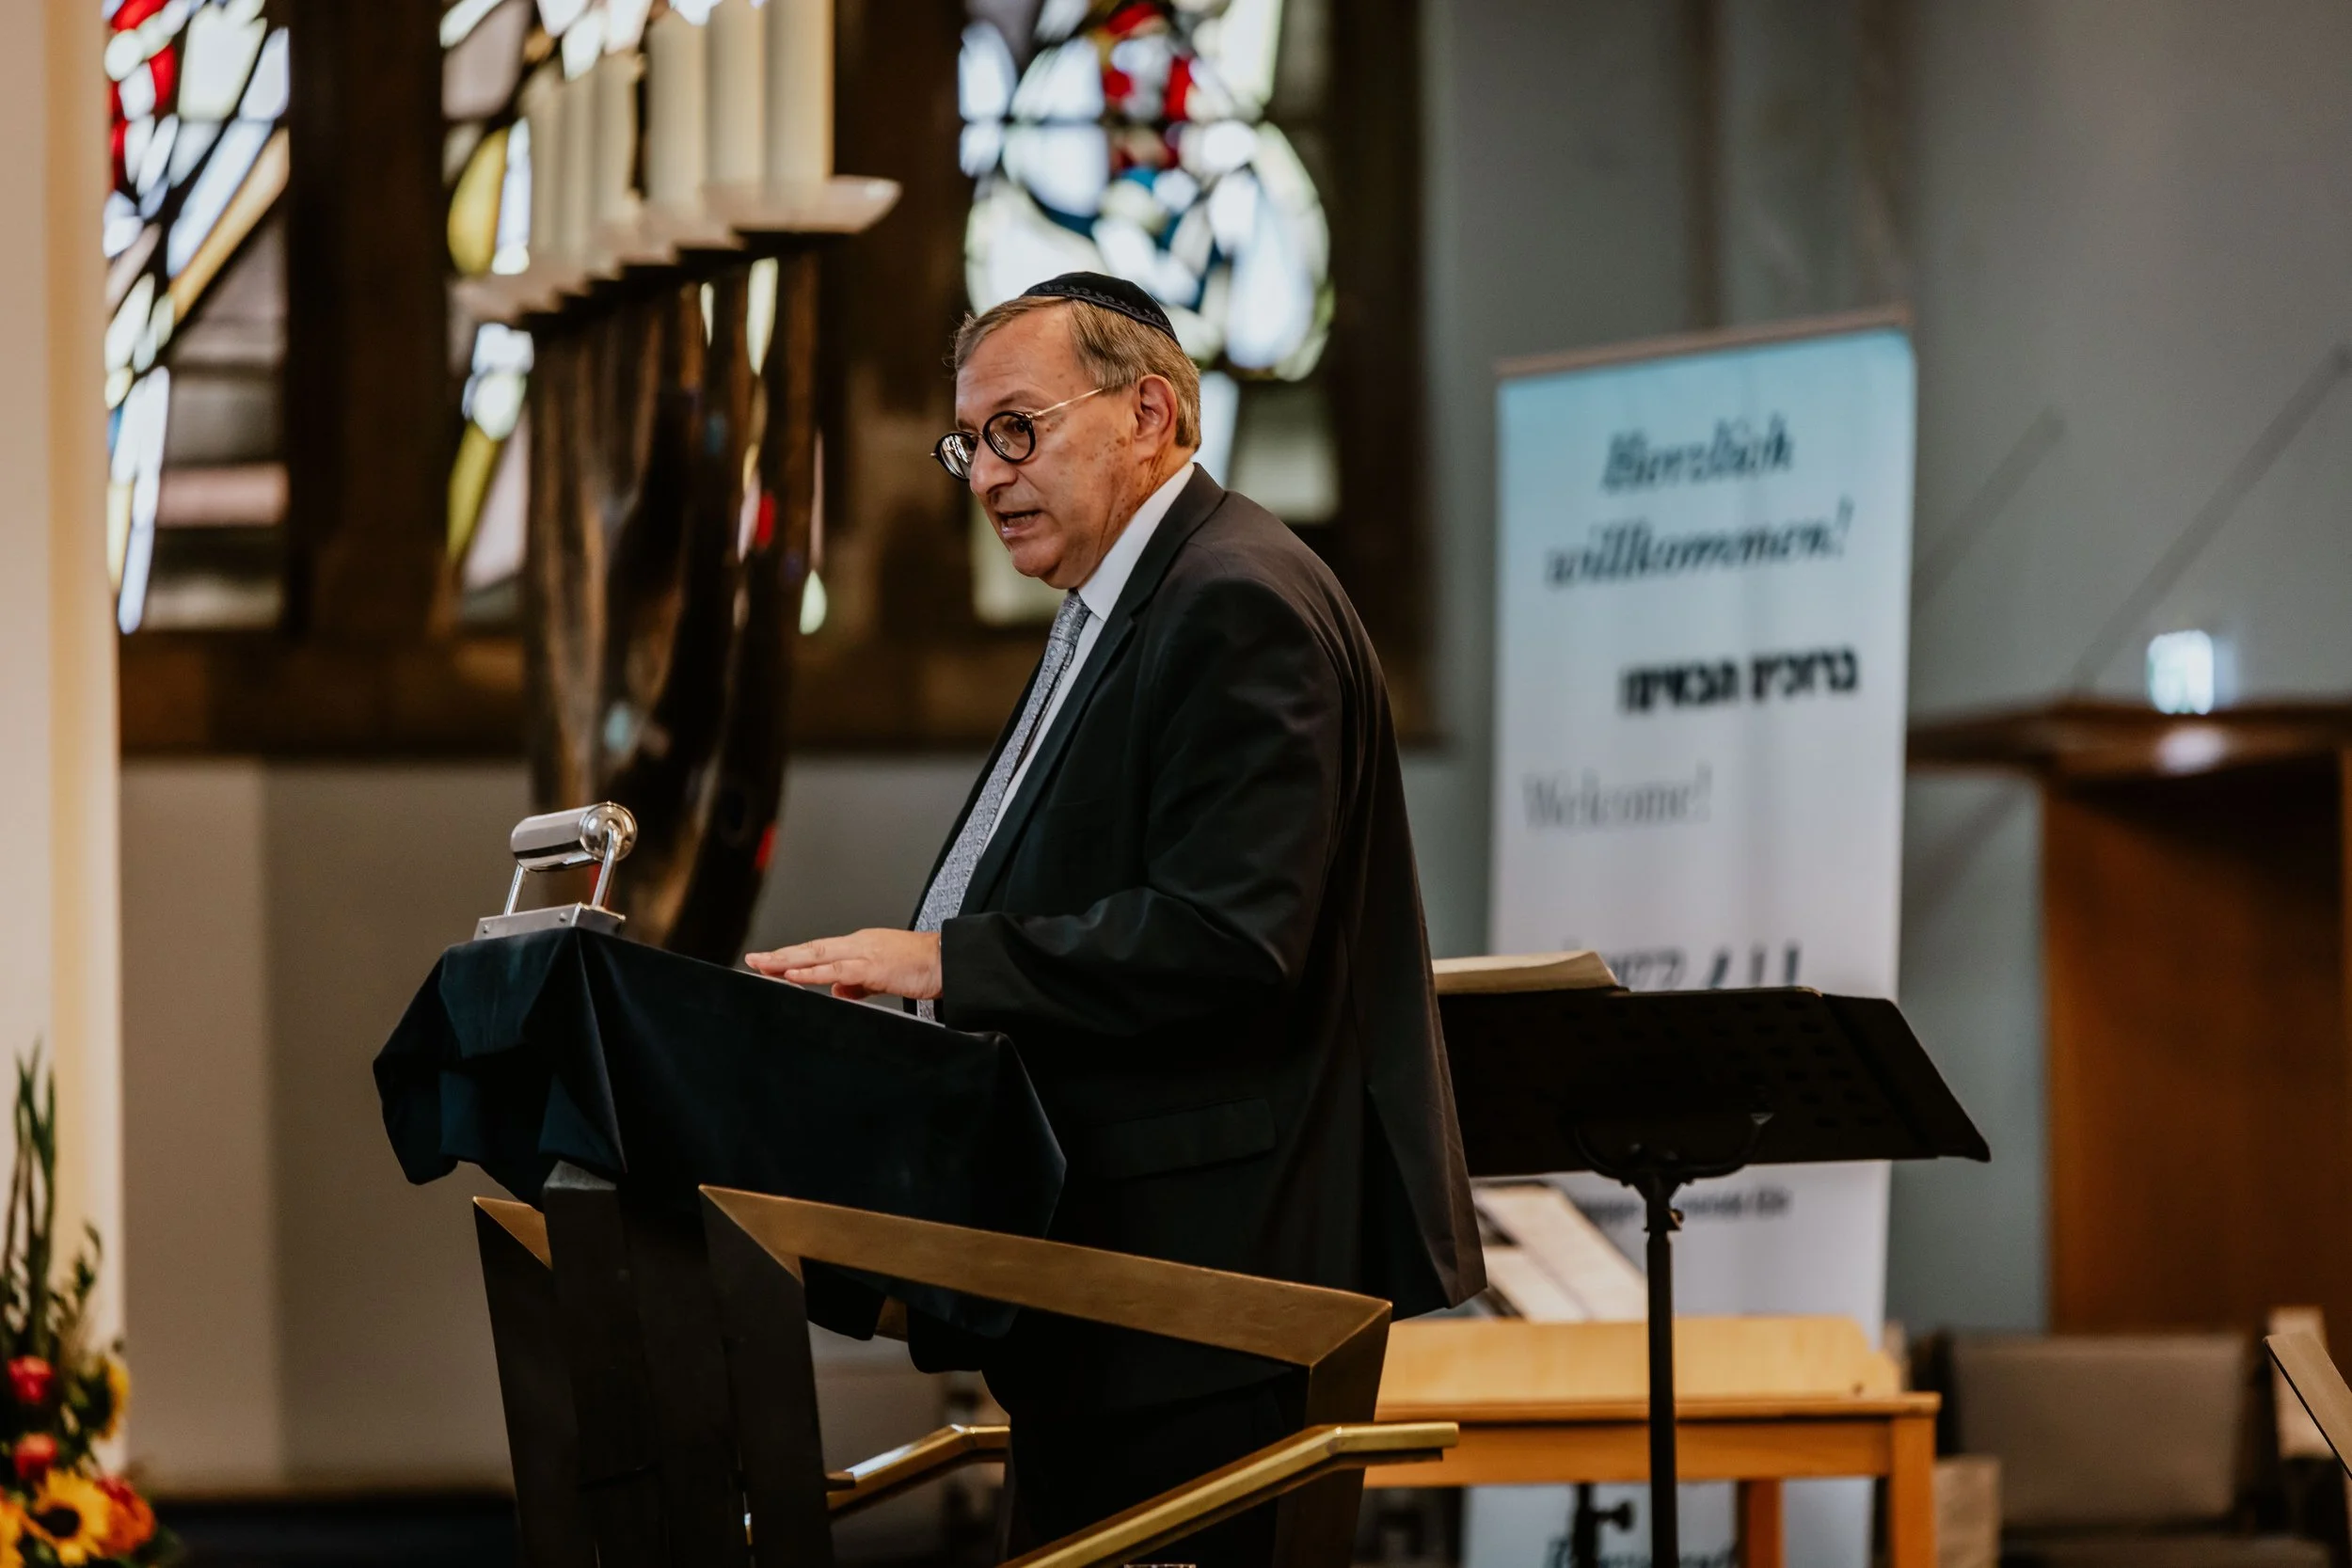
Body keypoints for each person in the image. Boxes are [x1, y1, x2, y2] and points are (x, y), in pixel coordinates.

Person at [746, 272, 1482, 1567]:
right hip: (1114, 1295)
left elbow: (1232, 936)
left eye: (1017, 429)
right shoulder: (1133, 600)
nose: (984, 473)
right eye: (968, 442)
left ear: (1150, 411)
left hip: (1207, 1295)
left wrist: (937, 963)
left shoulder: (1234, 598)